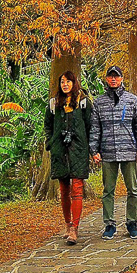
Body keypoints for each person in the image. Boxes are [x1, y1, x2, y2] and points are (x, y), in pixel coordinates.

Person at [89, 64, 137, 240]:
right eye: (110, 76)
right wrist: (94, 149)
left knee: (133, 190)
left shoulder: (132, 100)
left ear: (122, 79)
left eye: (116, 76)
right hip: (108, 152)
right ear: (106, 79)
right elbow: (95, 128)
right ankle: (109, 224)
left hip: (129, 151)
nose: (113, 79)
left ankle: (132, 222)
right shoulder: (99, 102)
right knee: (108, 190)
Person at [44, 70, 93, 245]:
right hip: (60, 151)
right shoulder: (53, 103)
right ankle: (67, 224)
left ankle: (75, 228)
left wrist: (88, 147)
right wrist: (50, 143)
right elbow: (48, 126)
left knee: (77, 188)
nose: (65, 85)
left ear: (74, 83)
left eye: (68, 81)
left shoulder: (84, 102)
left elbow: (90, 126)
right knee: (64, 190)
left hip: (78, 150)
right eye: (62, 82)